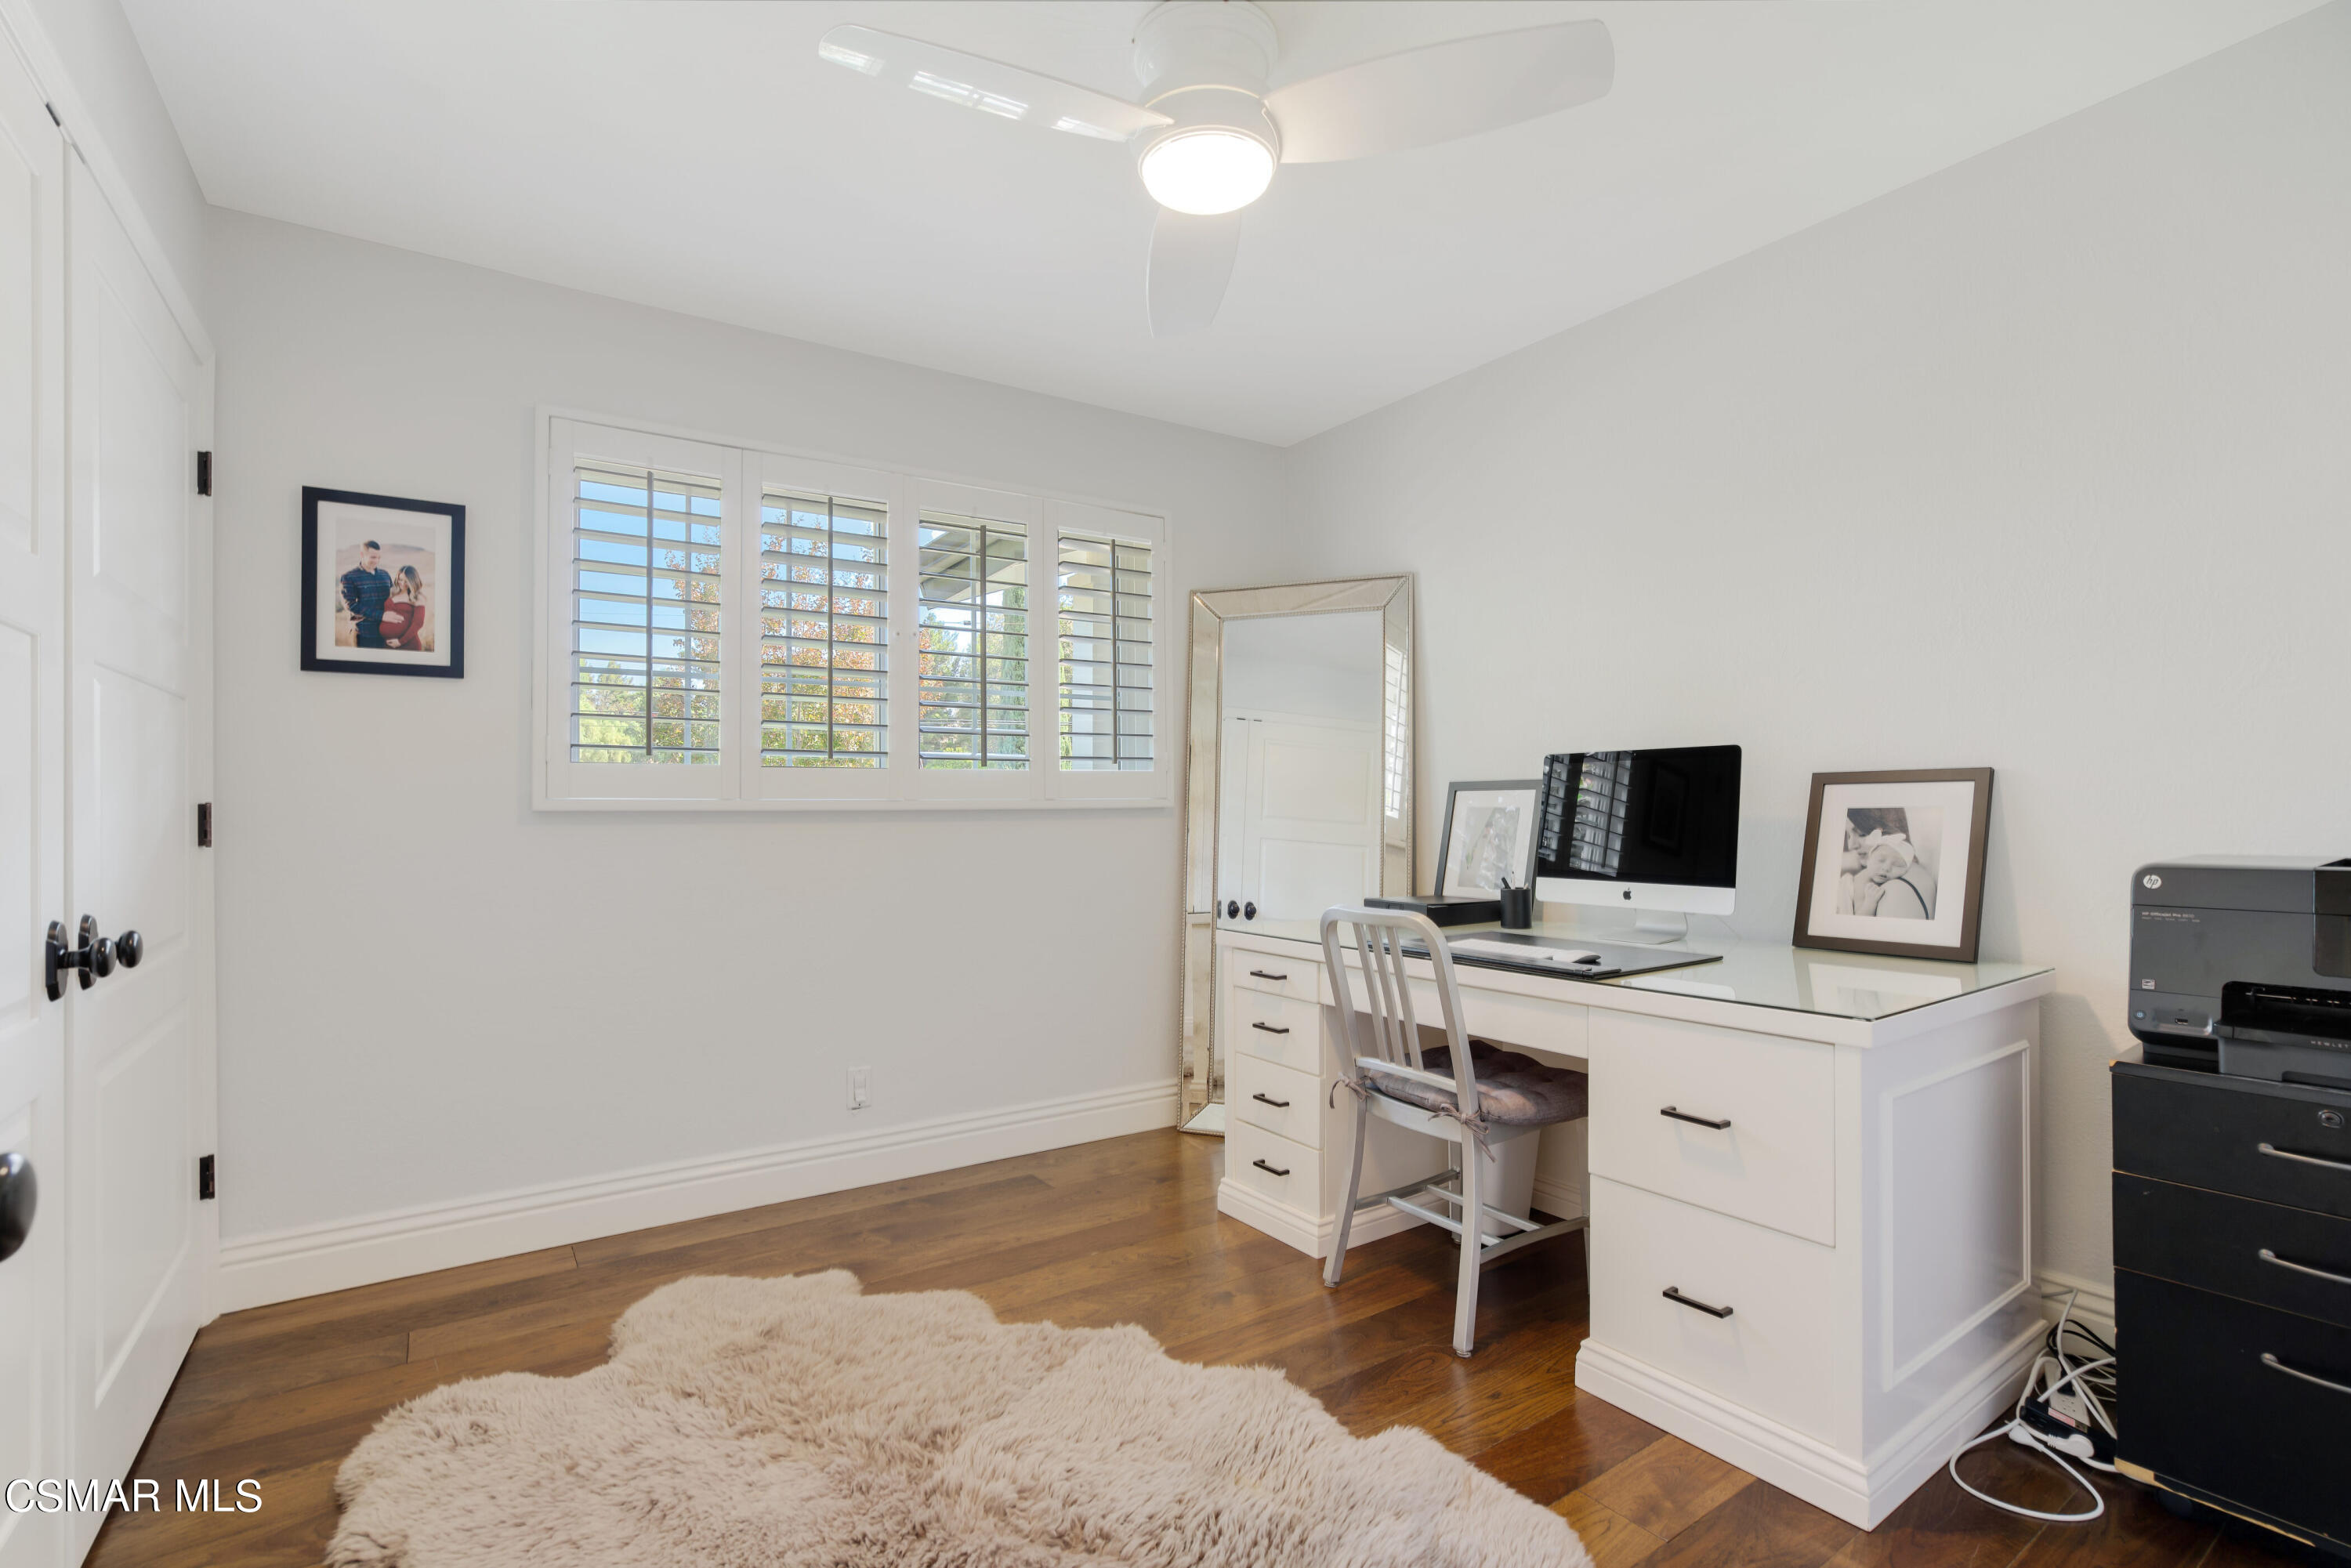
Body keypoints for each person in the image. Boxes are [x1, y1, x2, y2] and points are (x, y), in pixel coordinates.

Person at [339, 540, 392, 648]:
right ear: (362, 555)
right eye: (373, 557)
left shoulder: (385, 575)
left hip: (386, 633)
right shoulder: (349, 577)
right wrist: (381, 615)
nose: (376, 561)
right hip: (363, 634)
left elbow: (393, 599)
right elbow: (350, 605)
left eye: (379, 557)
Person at [376, 565, 431, 652]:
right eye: (400, 579)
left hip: (408, 645)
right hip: (387, 645)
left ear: (413, 581)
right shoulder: (393, 593)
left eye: (406, 581)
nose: (402, 583)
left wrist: (400, 642)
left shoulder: (418, 597)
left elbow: (418, 623)